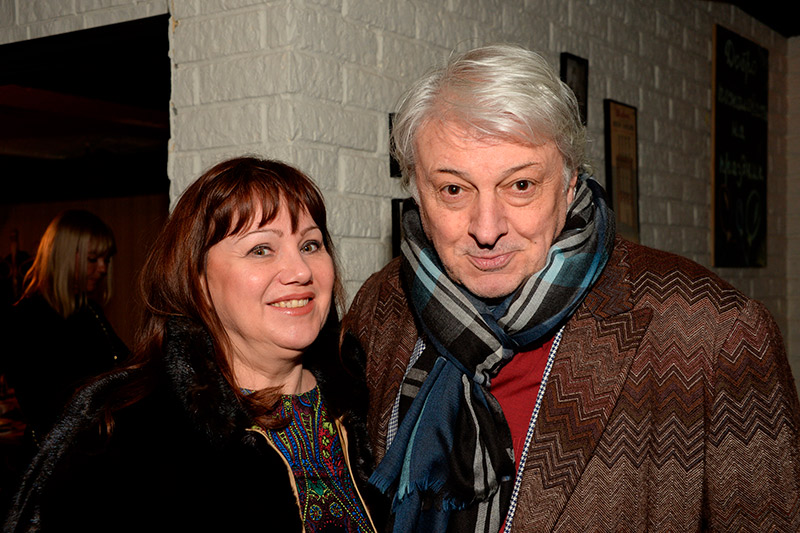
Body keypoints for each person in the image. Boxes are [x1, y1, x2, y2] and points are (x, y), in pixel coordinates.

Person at [341, 44, 800, 532]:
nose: (486, 228)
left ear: (569, 184)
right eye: (454, 189)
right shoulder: (382, 305)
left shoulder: (714, 333)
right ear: (418, 192)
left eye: (520, 186)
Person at [4, 157, 378, 532]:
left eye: (311, 245)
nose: (300, 271)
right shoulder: (125, 436)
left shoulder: (368, 402)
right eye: (261, 249)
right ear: (198, 280)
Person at [4, 210, 128, 454]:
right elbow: (44, 407)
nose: (103, 268)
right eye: (93, 259)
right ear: (64, 256)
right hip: (55, 459)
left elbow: (125, 367)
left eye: (106, 259)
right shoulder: (25, 319)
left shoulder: (90, 311)